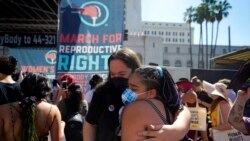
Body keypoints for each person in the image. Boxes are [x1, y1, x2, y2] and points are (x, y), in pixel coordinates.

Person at [83, 48, 191, 141]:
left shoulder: (146, 89)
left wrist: (178, 129)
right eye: (112, 74)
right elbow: (90, 123)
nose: (117, 78)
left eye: (122, 74)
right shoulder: (102, 93)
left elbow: (180, 108)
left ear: (135, 71)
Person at [121, 66, 191, 141]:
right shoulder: (172, 108)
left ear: (151, 93)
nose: (128, 92)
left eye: (134, 89)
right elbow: (183, 110)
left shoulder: (135, 109)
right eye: (128, 87)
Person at [0, 73, 64, 141]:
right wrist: (62, 127)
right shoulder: (53, 110)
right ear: (46, 89)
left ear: (22, 87)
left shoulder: (3, 110)